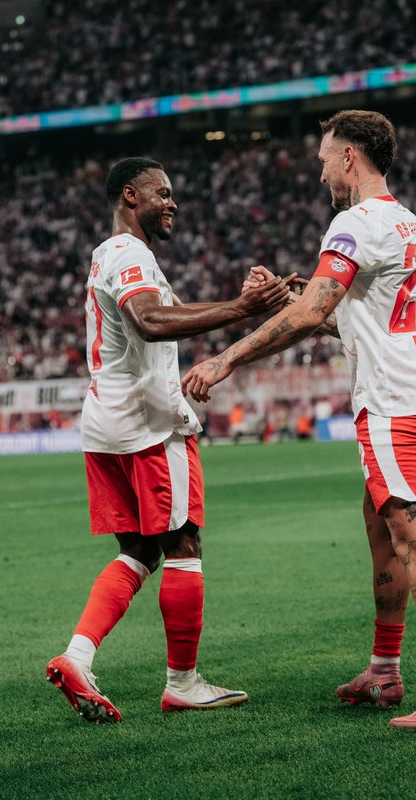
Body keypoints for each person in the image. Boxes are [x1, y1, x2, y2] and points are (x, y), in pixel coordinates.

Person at [182, 110, 416, 729]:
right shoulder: (406, 221)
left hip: (394, 404)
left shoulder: (353, 223)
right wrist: (292, 298)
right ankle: (384, 670)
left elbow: (310, 315)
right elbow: (343, 317)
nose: (320, 172)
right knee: (382, 529)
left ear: (349, 156)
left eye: (324, 158)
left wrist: (225, 359)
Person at [46, 156, 292, 723]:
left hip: (106, 423)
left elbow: (172, 314)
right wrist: (242, 308)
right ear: (130, 196)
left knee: (140, 551)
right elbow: (151, 321)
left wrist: (255, 301)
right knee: (184, 546)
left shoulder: (112, 255)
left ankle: (77, 656)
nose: (172, 203)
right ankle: (183, 683)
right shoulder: (131, 255)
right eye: (162, 193)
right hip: (149, 424)